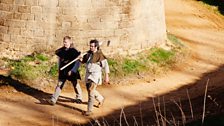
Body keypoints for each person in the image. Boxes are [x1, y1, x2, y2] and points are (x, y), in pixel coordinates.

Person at [47, 36, 83, 105]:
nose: (64, 43)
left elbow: (77, 63)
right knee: (59, 84)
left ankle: (79, 97)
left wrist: (72, 71)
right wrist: (59, 69)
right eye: (64, 42)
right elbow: (60, 60)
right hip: (63, 70)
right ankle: (53, 99)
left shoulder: (74, 51)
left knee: (75, 84)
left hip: (71, 70)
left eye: (66, 42)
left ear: (70, 42)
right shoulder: (62, 50)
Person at [81, 39, 110, 116]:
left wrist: (107, 76)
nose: (90, 47)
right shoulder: (88, 54)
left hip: (95, 75)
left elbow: (106, 66)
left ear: (96, 47)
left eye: (92, 46)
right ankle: (101, 99)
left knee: (91, 91)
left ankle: (89, 110)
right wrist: (79, 58)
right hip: (88, 74)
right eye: (90, 46)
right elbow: (83, 61)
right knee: (90, 90)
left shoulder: (100, 55)